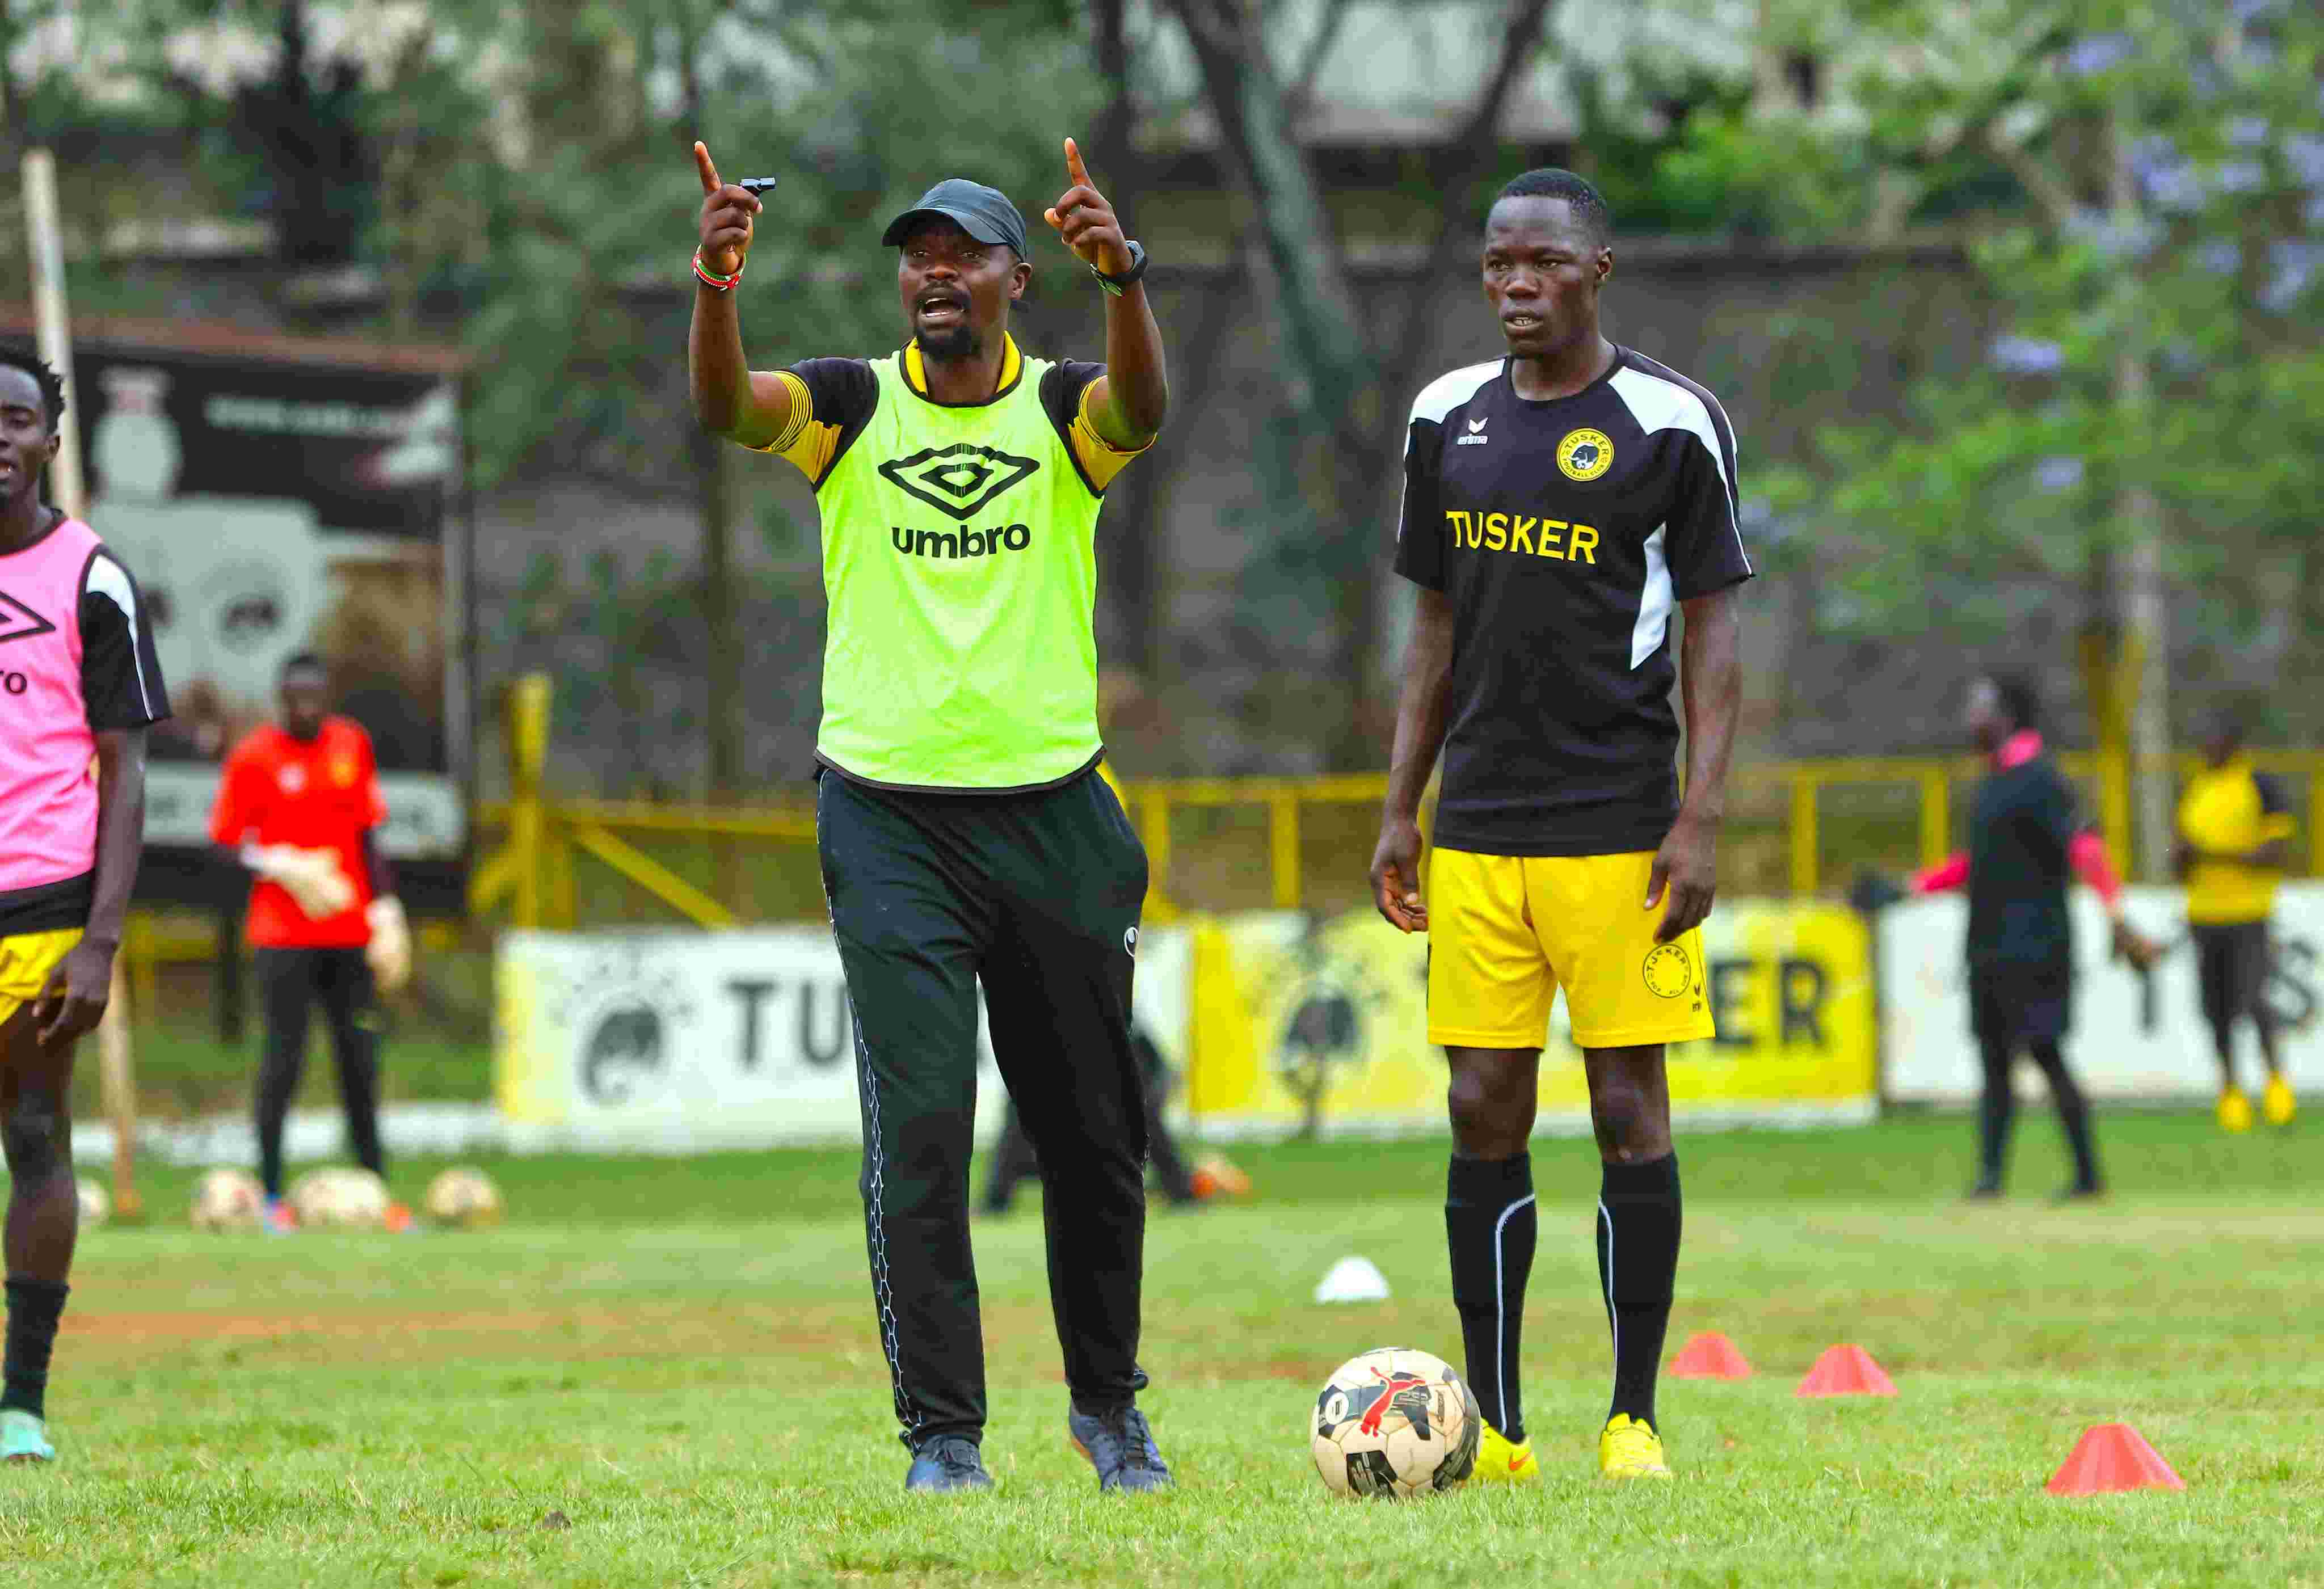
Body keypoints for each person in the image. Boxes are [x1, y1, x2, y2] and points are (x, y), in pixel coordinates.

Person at [687, 137, 1170, 1494]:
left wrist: (1127, 276)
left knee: (1094, 1137)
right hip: (890, 820)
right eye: (916, 253)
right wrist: (717, 286)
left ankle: (1107, 1409)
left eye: (961, 250)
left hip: (1056, 815)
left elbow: (1146, 409)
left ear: (1020, 276)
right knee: (917, 1136)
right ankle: (944, 1438)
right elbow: (729, 408)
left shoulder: (1068, 408)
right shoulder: (847, 406)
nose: (934, 271)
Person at [1368, 170, 1752, 1483]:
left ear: (1599, 267)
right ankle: (1501, 1421)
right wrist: (1397, 809)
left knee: (1628, 1108)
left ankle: (1632, 1414)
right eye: (1497, 266)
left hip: (1624, 834)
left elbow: (1714, 634)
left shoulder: (1670, 425)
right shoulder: (1443, 419)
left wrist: (1699, 817)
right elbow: (1431, 628)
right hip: (1477, 827)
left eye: (1542, 263)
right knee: (1482, 1106)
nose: (1516, 285)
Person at [0, 350, 169, 1462]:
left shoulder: (91, 575)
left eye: (15, 419)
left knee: (32, 1133)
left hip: (46, 906)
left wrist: (102, 940)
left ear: (50, 439)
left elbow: (126, 771)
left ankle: (21, 1403)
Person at [1910, 675, 2157, 1200]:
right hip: (1989, 946)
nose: (1968, 717)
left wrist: (2115, 910)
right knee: (1994, 1062)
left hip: (2037, 945)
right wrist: (1911, 887)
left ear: (2008, 715)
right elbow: (1980, 866)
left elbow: (2084, 845)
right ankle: (1990, 1180)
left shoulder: (2041, 779)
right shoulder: (1995, 784)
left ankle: (2089, 1177)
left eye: (1978, 707)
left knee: (2046, 1053)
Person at [209, 652, 412, 1232]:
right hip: (282, 936)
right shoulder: (255, 756)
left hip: (348, 933)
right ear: (282, 698)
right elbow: (222, 843)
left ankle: (379, 1192)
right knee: (283, 1060)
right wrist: (276, 862)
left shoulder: (351, 745)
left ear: (326, 697)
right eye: (294, 697)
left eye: (314, 697)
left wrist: (386, 905)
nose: (305, 707)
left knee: (360, 1062)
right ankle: (272, 1195)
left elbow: (370, 833)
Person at [2174, 707, 2296, 1130]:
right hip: (2204, 914)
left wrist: (2211, 855)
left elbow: (2275, 853)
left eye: (2213, 738)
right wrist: (2184, 859)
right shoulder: (2194, 788)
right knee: (2217, 1010)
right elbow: (2181, 859)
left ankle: (2276, 1083)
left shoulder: (2259, 785)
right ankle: (2230, 1090)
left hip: (2248, 912)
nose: (2205, 747)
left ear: (2232, 742)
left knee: (2254, 998)